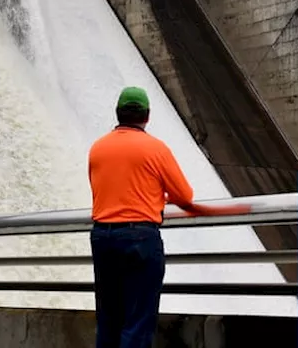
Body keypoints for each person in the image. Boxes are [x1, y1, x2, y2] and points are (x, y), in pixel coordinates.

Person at [87, 86, 250, 348]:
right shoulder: (155, 149)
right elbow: (184, 196)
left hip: (102, 236)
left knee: (108, 319)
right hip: (139, 237)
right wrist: (157, 196)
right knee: (137, 321)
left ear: (118, 114)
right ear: (147, 116)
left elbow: (102, 190)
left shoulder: (97, 149)